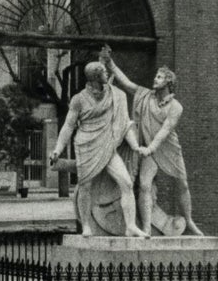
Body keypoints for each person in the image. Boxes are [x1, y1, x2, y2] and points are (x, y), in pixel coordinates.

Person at [105, 52, 204, 236]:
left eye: (159, 77)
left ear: (168, 82)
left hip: (168, 149)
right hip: (148, 151)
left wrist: (150, 149)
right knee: (144, 185)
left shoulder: (176, 107)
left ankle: (189, 221)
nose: (155, 79)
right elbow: (127, 84)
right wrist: (111, 65)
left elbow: (165, 131)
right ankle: (147, 227)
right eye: (156, 76)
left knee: (182, 184)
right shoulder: (146, 96)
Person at [48, 59, 148, 238]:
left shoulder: (117, 95)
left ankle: (130, 226)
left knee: (126, 183)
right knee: (85, 186)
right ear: (95, 76)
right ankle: (86, 225)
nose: (107, 73)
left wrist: (135, 146)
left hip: (108, 146)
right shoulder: (79, 99)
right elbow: (69, 126)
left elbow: (124, 124)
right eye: (104, 71)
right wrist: (57, 149)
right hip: (86, 146)